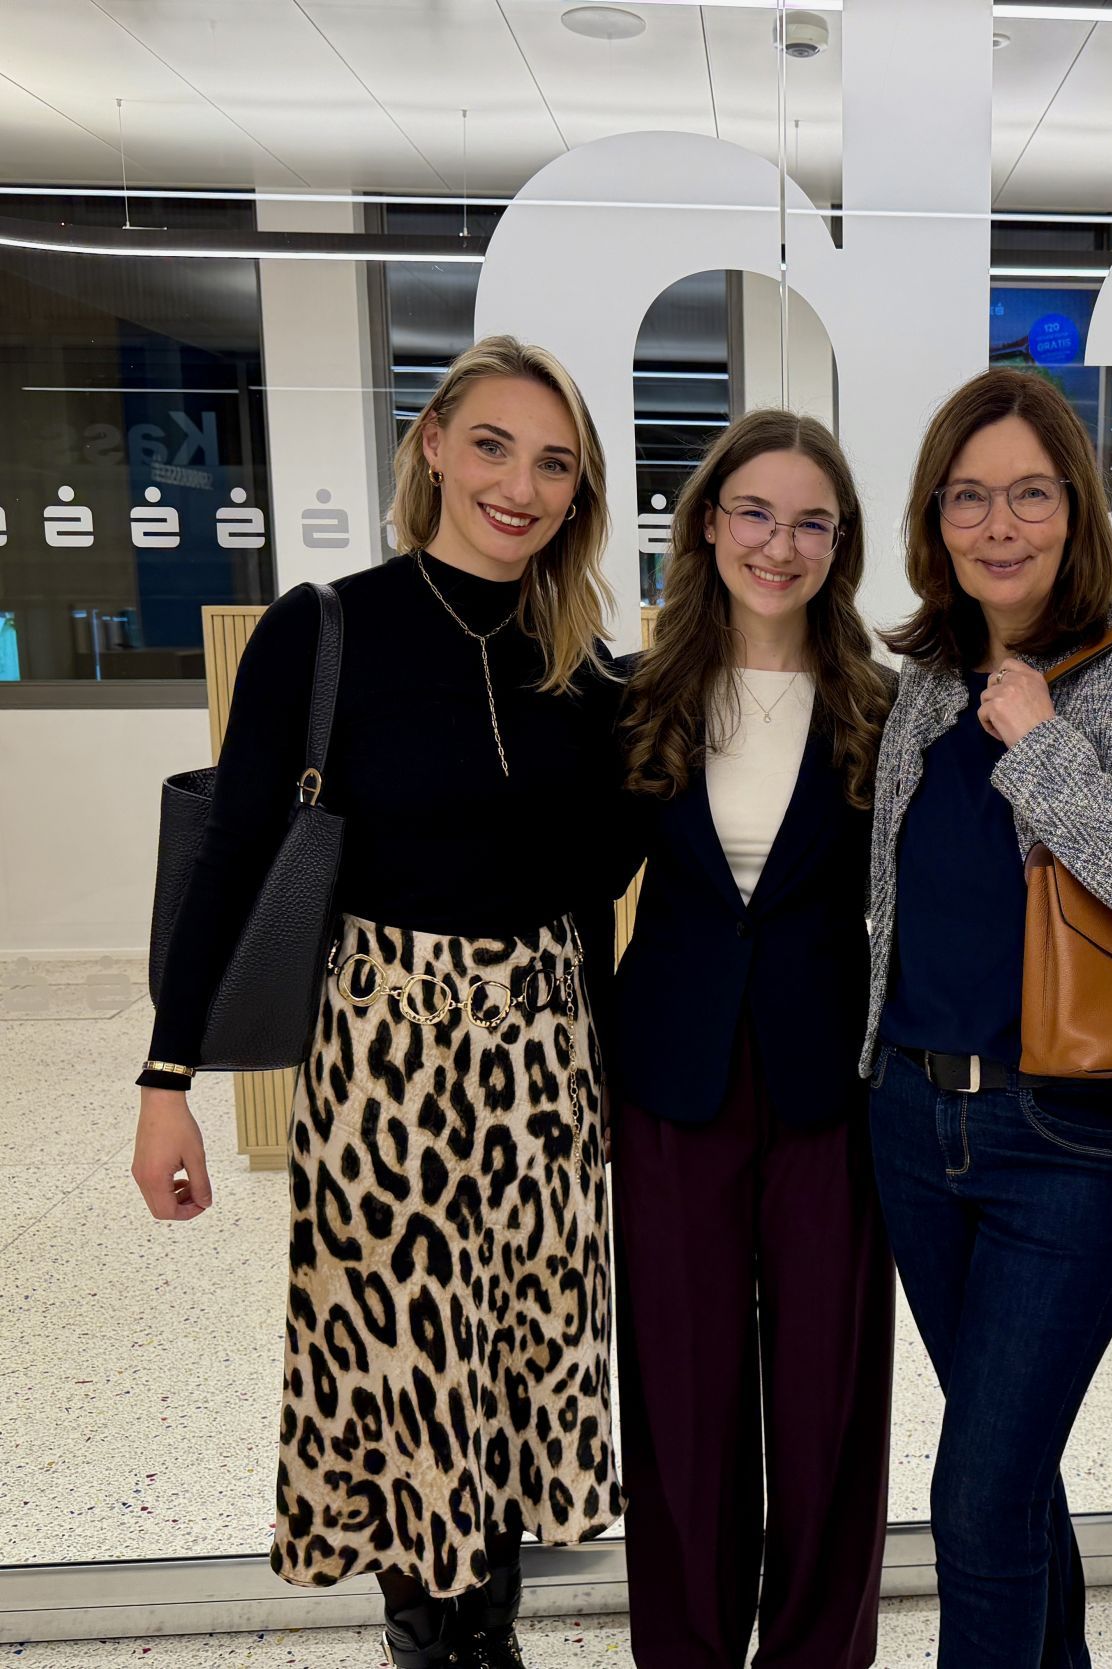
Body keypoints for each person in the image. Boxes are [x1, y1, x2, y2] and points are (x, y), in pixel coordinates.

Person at [131, 336, 635, 1669]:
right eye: (492, 446)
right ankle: (442, 1648)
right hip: (386, 1059)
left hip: (543, 1049)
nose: (518, 486)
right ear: (431, 445)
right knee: (409, 1366)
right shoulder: (326, 627)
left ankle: (492, 1632)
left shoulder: (583, 664)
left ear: (579, 491)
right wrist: (164, 1084)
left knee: (519, 1372)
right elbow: (231, 858)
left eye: (554, 463)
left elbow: (595, 880)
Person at [863, 367, 1112, 1668]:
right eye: (969, 497)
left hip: (1071, 1142)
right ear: (934, 519)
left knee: (975, 1499)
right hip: (914, 1126)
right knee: (1011, 1474)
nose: (1000, 524)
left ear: (1077, 510)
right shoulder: (917, 678)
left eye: (1030, 493)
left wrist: (1044, 748)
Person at [608, 409, 896, 1668]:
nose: (780, 545)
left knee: (831, 1395)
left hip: (832, 1085)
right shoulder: (626, 693)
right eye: (756, 513)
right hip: (671, 1079)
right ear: (709, 523)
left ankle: (816, 1654)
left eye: (811, 522)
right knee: (682, 1389)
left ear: (841, 544)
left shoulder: (887, 706)